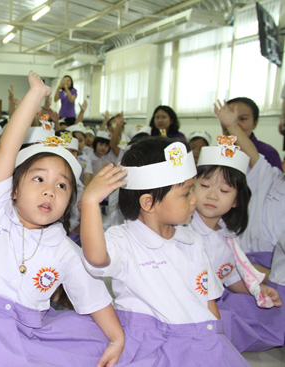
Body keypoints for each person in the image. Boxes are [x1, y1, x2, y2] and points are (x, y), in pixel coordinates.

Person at [0, 71, 124, 367]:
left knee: (94, 341)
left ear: (69, 203)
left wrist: (116, 338)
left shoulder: (65, 249)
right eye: (38, 179)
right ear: (13, 189)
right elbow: (7, 148)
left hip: (28, 329)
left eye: (62, 186)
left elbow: (94, 298)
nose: (49, 191)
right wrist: (34, 96)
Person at [80, 137, 249, 366]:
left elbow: (207, 299)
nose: (195, 199)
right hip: (148, 344)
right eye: (186, 193)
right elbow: (97, 258)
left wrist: (217, 341)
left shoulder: (193, 241)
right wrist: (90, 202)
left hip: (197, 340)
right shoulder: (125, 239)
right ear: (148, 203)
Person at [189, 124, 284, 353]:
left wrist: (257, 288)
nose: (212, 195)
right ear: (190, 186)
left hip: (212, 306)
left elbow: (230, 277)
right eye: (204, 185)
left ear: (236, 201)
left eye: (224, 191)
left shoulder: (227, 237)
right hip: (182, 309)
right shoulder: (180, 228)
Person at [225, 97, 282, 171]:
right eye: (229, 118)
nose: (235, 124)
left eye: (243, 119)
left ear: (255, 123)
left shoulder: (268, 153)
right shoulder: (218, 150)